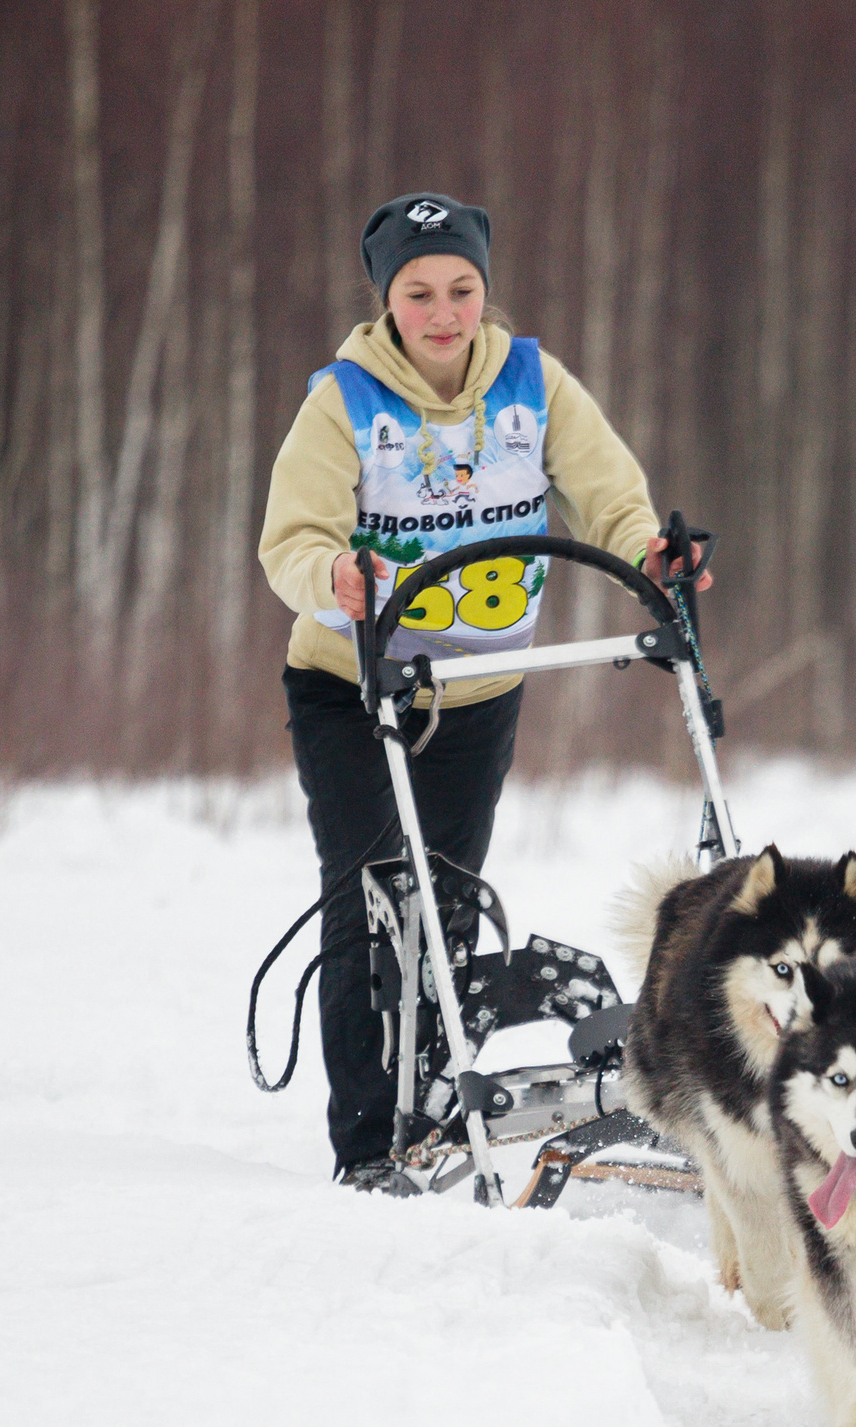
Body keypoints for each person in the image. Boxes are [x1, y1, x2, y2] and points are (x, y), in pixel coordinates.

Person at [259, 191, 700, 1194]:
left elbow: (611, 495)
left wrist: (652, 555)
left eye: (462, 289)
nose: (444, 312)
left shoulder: (532, 385)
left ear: (485, 292)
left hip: (479, 685)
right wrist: (332, 573)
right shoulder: (343, 400)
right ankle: (368, 1143)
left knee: (450, 896)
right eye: (420, 293)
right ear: (386, 302)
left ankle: (432, 1108)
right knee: (370, 896)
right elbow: (292, 539)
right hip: (352, 683)